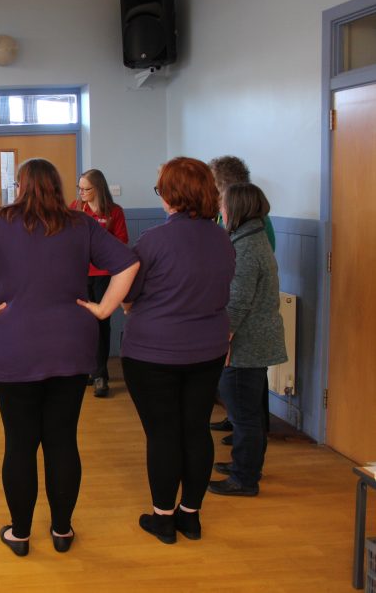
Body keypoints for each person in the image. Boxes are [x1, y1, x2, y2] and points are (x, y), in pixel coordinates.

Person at [0, 158, 138, 556]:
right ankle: (62, 531)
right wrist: (102, 311)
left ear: (19, 185)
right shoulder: (80, 224)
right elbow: (128, 263)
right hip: (70, 347)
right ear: (57, 185)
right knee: (62, 441)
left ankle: (19, 534)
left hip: (11, 347)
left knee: (19, 444)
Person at [120, 157, 235, 544]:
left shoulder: (153, 241)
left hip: (153, 353)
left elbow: (129, 298)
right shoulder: (222, 238)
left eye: (161, 189)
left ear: (172, 194)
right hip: (208, 350)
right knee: (196, 430)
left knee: (163, 434)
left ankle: (163, 518)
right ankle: (191, 516)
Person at [209, 183, 287, 497]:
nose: (220, 210)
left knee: (244, 415)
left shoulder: (245, 248)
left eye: (223, 205)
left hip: (246, 343)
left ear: (236, 208)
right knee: (250, 411)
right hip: (255, 338)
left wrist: (223, 341)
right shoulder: (251, 239)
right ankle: (247, 465)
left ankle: (244, 478)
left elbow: (237, 302)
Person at [208, 155, 276, 438]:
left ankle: (247, 440)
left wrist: (226, 331)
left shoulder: (252, 227)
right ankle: (238, 422)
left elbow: (244, 278)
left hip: (248, 320)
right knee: (241, 389)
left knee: (249, 382)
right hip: (240, 310)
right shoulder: (229, 215)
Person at [70, 168, 129, 397]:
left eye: (87, 188)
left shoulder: (114, 212)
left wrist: (98, 242)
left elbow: (122, 243)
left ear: (99, 189)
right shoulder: (75, 209)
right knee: (83, 324)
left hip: (105, 275)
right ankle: (87, 368)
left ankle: (100, 374)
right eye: (80, 188)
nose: (82, 192)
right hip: (80, 274)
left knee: (101, 323)